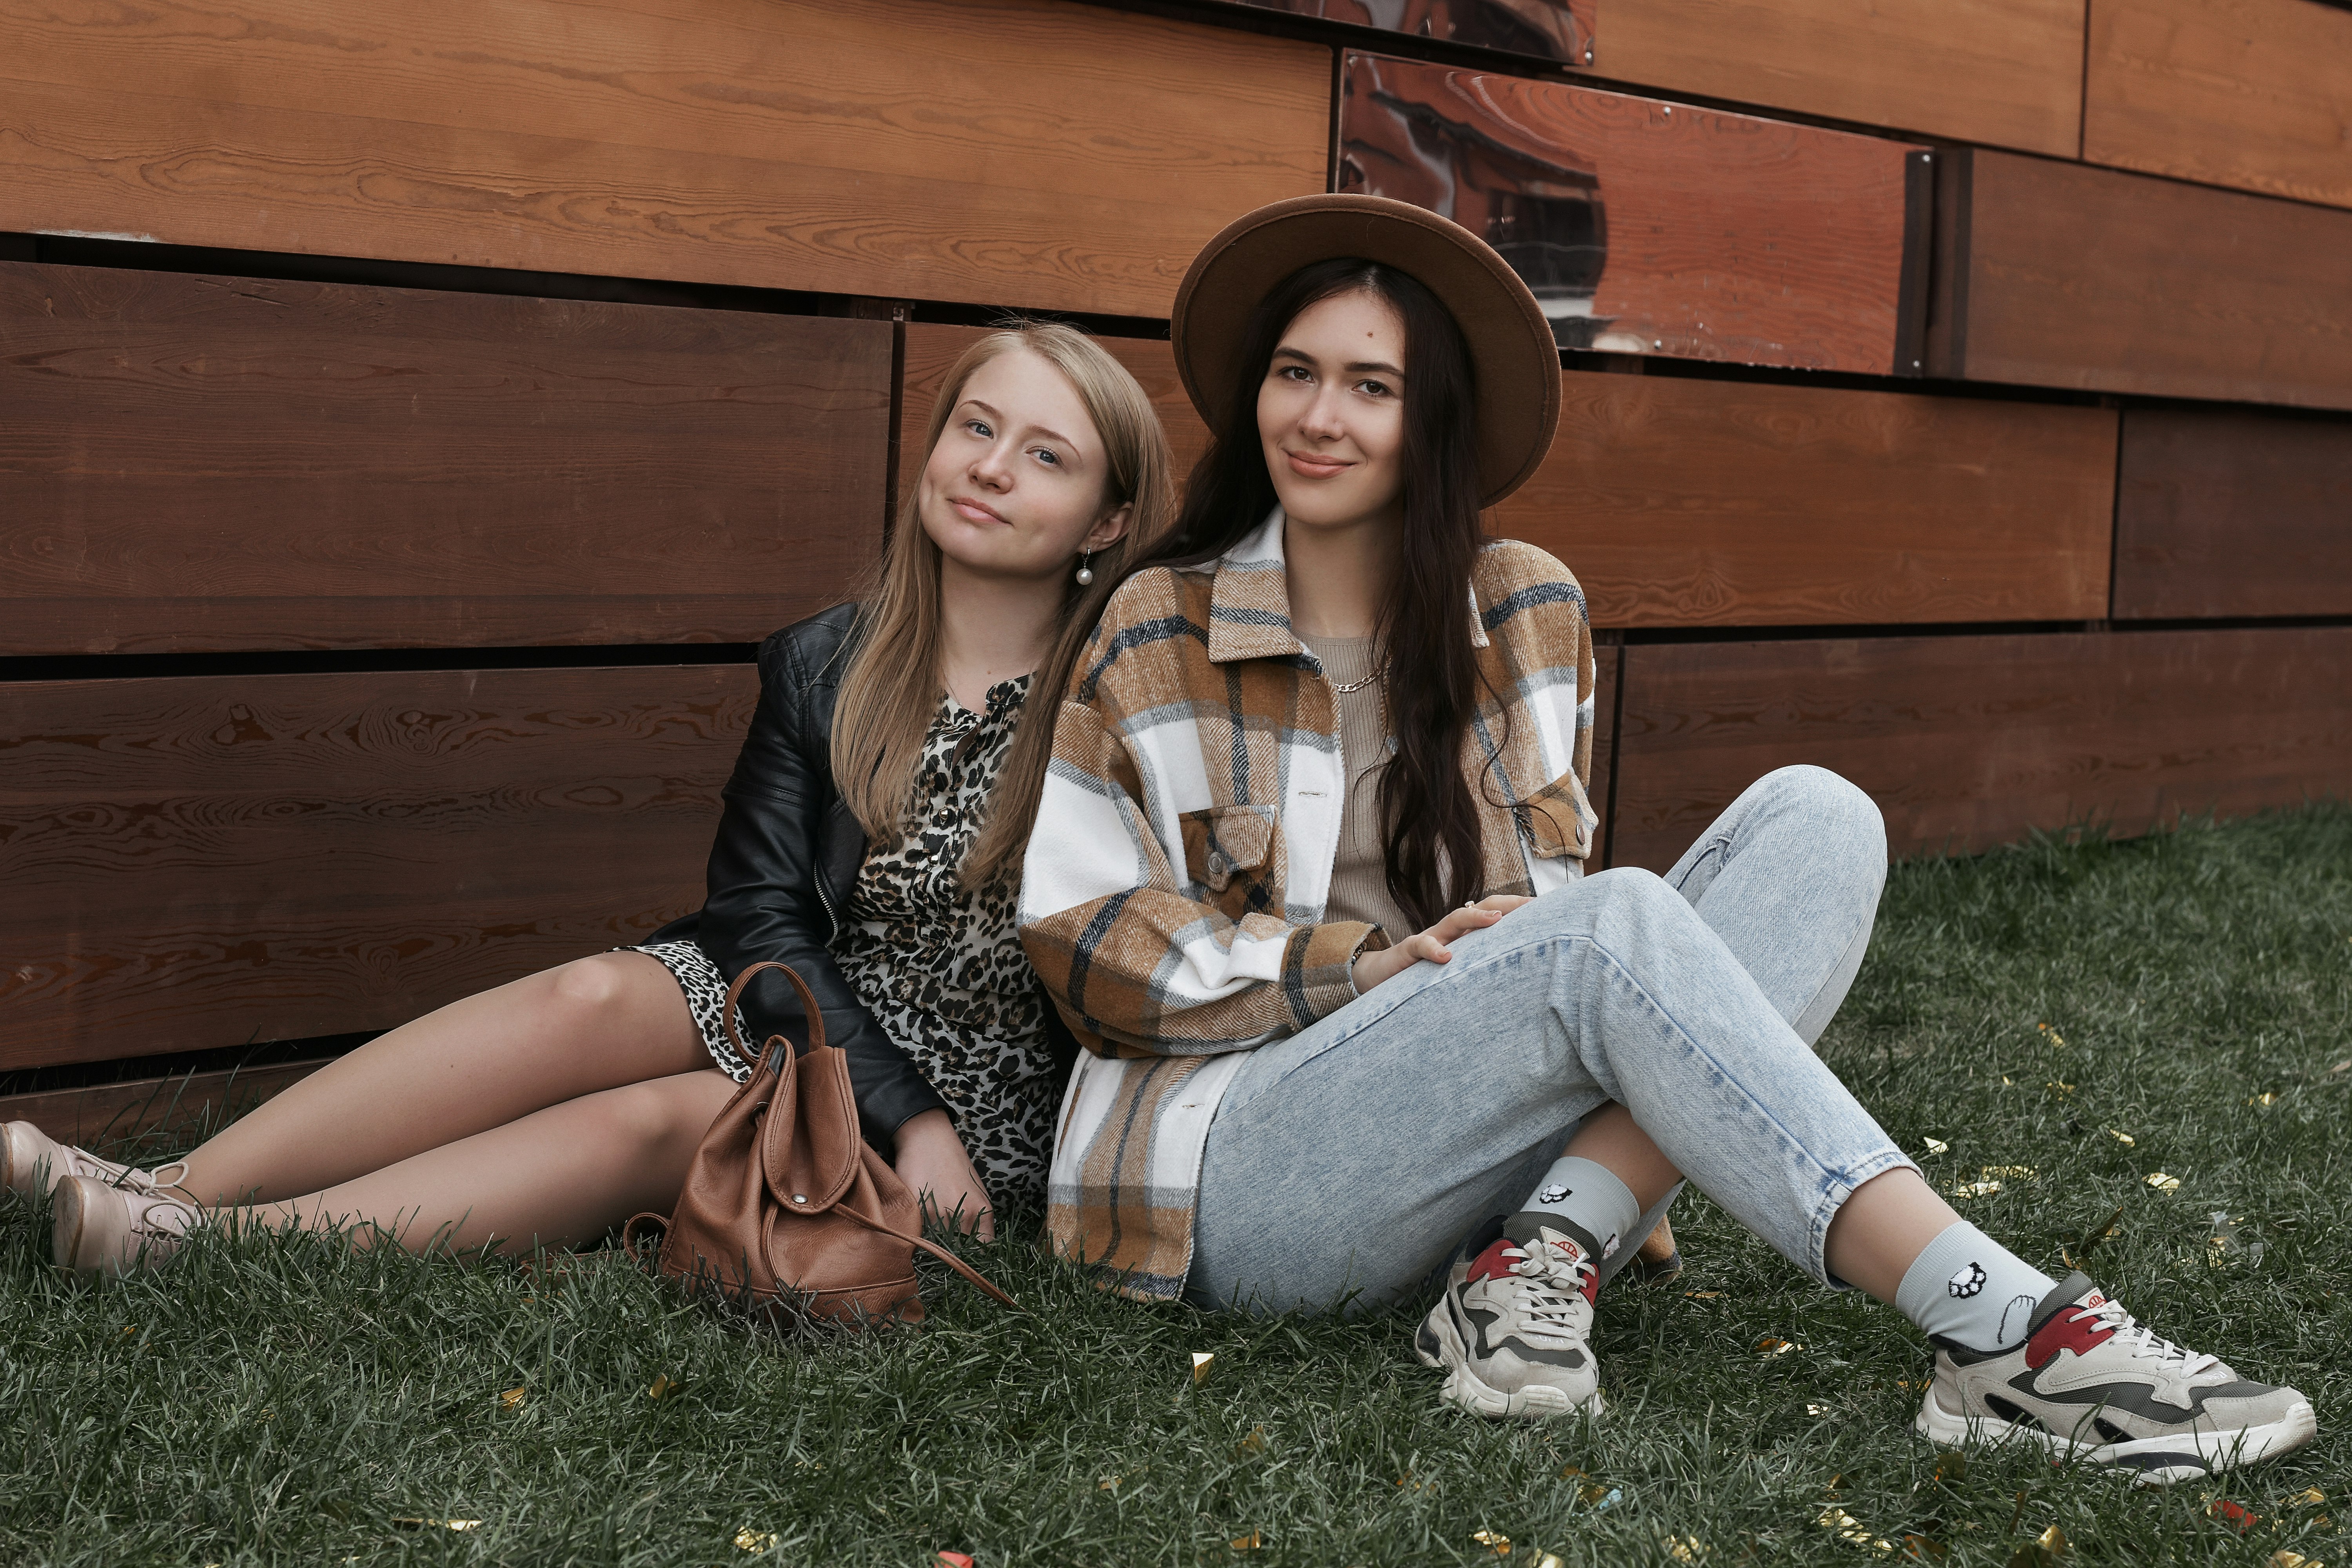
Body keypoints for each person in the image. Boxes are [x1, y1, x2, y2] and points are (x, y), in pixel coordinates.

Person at [1015, 194, 2314, 1483]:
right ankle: (2004, 1328)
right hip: (1245, 1179)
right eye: (1297, 373)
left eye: (1372, 385)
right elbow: (1080, 943)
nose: (1319, 415)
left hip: (1472, 1150)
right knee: (1610, 927)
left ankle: (1541, 1252)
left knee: (1824, 818)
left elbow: (1553, 912)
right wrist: (1348, 971)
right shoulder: (1160, 626)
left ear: (1434, 423)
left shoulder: (1527, 608)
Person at [7, 321, 1172, 1280]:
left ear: (1109, 522)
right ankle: (159, 1187)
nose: (990, 466)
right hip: (803, 1009)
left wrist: (921, 1129)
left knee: (658, 1121)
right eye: (978, 427)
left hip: (972, 1121)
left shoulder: (1116, 700)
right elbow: (754, 913)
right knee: (595, 989)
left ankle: (207, 1250)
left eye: (1046, 456)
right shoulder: (829, 662)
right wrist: (870, 1088)